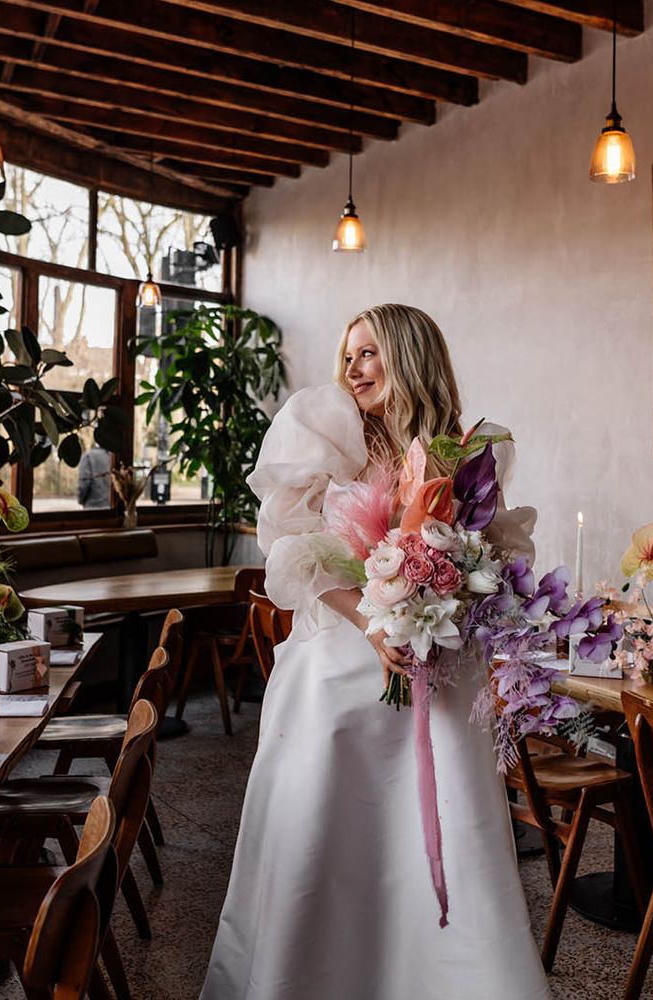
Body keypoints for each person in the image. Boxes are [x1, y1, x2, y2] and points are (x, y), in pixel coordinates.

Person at [201, 304, 549, 1000]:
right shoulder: (327, 434)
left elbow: (491, 556)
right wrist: (374, 622)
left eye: (370, 354)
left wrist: (450, 600)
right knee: (326, 827)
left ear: (410, 356)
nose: (354, 370)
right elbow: (297, 551)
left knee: (447, 818)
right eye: (349, 356)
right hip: (337, 666)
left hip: (437, 672)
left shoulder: (465, 452)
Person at [76, 443, 111, 509]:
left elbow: (84, 482)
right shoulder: (112, 457)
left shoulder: (88, 456)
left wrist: (80, 499)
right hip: (110, 508)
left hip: (92, 507)